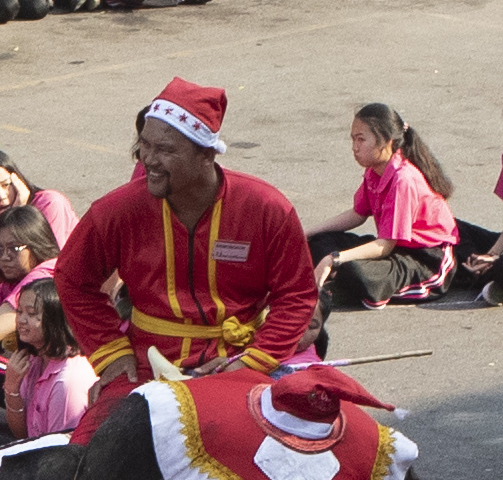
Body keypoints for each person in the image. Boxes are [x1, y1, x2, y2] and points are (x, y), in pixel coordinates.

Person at [53, 78, 318, 390]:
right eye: (145, 145)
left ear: (206, 154)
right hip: (146, 364)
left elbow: (297, 295)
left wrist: (252, 360)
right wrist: (112, 354)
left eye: (165, 149)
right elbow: (71, 279)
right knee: (97, 434)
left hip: (242, 359)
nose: (148, 159)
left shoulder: (266, 208)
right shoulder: (116, 211)